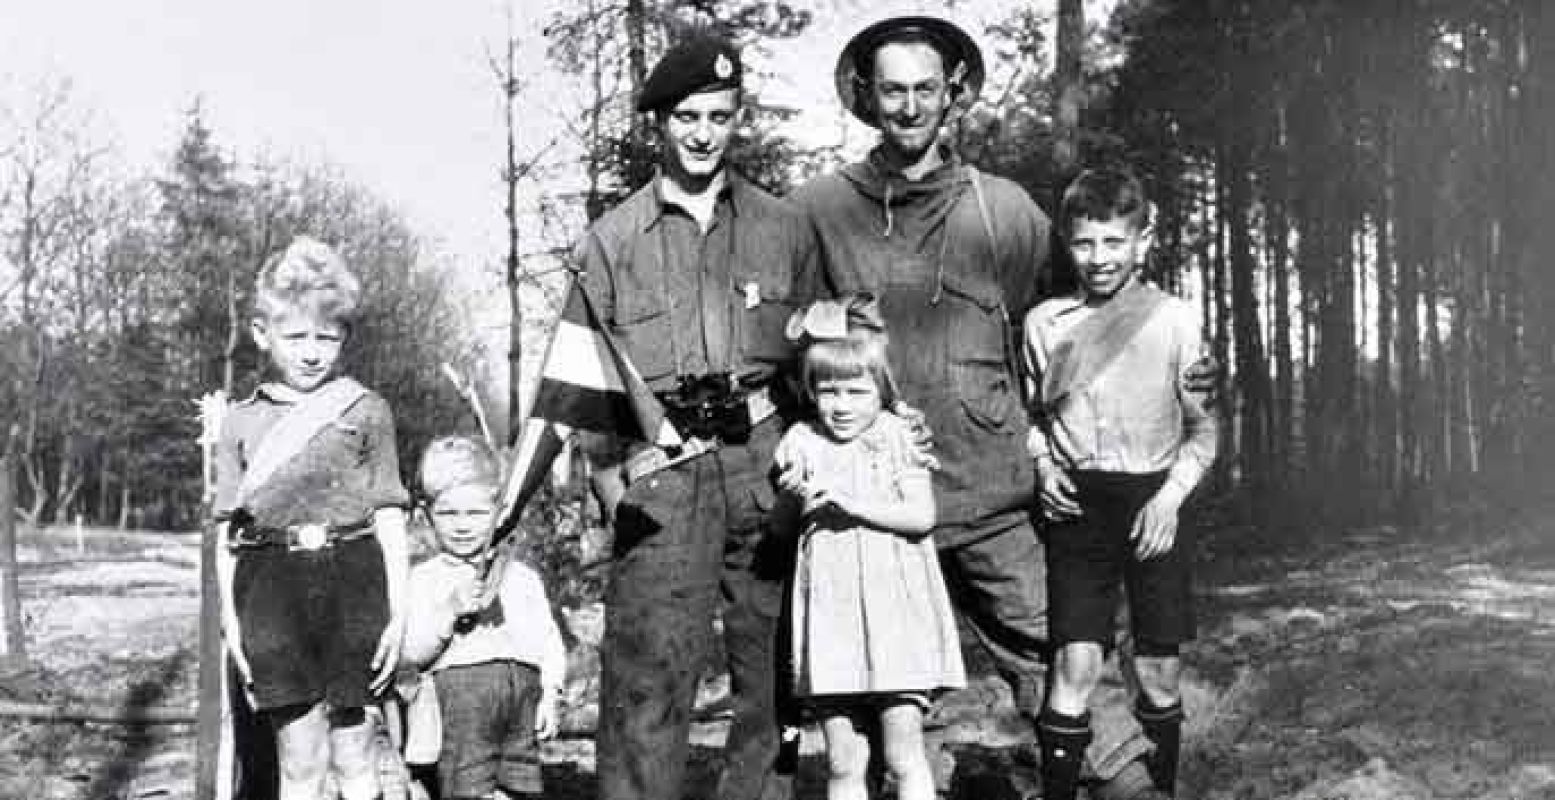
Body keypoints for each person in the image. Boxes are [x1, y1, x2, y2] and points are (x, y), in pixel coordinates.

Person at [790, 16, 1217, 799]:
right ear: (866, 96)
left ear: (954, 94)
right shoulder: (819, 210)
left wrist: (1056, 446)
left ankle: (1127, 780)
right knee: (880, 683)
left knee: (1058, 644)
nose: (910, 107)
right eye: (892, 90)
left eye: (927, 89)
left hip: (990, 489)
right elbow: (786, 343)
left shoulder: (1005, 210)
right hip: (871, 503)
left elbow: (1078, 321)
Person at [572, 31, 822, 800]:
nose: (702, 134)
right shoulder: (612, 240)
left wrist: (810, 435)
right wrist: (611, 489)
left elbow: (821, 346)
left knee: (771, 678)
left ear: (736, 118)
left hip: (764, 463)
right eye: (685, 117)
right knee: (646, 685)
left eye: (718, 115)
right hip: (663, 476)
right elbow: (585, 382)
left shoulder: (784, 226)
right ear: (658, 125)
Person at [1025, 167, 1218, 800]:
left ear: (1143, 241)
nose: (1099, 258)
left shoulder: (1175, 321)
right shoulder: (1046, 324)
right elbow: (1032, 422)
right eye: (1084, 243)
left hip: (1156, 502)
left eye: (1114, 242)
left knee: (1158, 669)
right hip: (1078, 504)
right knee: (1074, 664)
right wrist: (1045, 466)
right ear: (1066, 241)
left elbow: (1205, 432)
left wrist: (1169, 498)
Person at [213, 236, 411, 800]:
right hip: (270, 588)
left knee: (356, 751)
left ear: (344, 336)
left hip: (355, 581)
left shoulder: (367, 410)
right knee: (299, 760)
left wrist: (398, 613)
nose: (310, 352)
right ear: (262, 334)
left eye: (326, 336)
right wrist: (233, 625)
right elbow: (227, 536)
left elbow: (390, 515)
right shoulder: (240, 422)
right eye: (295, 335)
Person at [772, 295, 965, 800]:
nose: (841, 405)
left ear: (881, 388)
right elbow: (780, 533)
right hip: (831, 622)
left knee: (904, 756)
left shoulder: (898, 436)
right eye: (828, 391)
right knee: (843, 761)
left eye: (856, 391)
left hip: (894, 616)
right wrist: (791, 502)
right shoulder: (802, 441)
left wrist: (852, 504)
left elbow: (922, 516)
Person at [399, 435, 567, 800]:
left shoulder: (520, 576)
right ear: (427, 514)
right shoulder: (424, 578)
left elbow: (548, 640)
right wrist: (448, 614)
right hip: (462, 698)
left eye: (475, 513)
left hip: (522, 697)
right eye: (448, 513)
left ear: (498, 512)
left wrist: (551, 693)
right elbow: (412, 651)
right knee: (467, 785)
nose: (462, 526)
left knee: (519, 785)